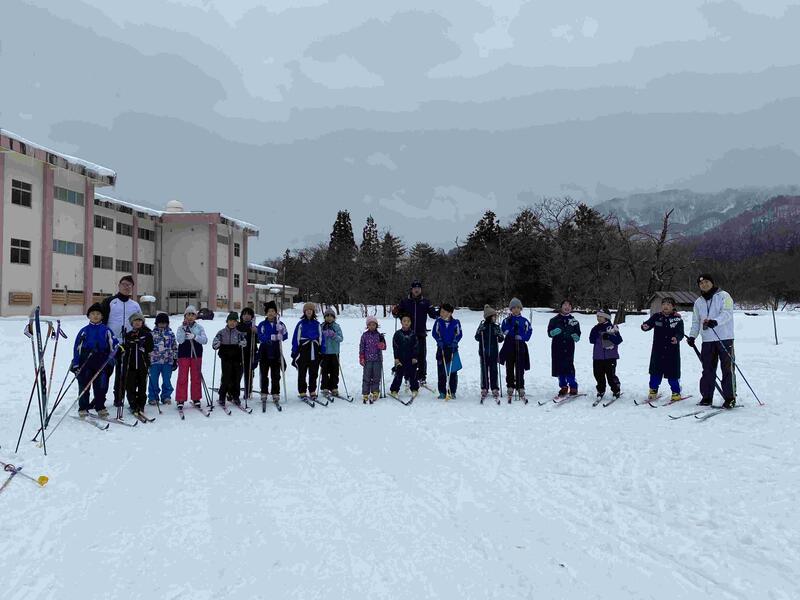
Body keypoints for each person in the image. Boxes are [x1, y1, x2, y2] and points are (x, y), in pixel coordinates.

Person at [688, 274, 737, 408]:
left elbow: (727, 313)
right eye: (701, 283)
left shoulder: (724, 296)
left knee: (727, 369)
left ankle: (730, 398)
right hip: (707, 340)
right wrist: (692, 336)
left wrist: (715, 321)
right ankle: (707, 397)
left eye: (706, 282)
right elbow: (696, 321)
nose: (704, 285)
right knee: (707, 370)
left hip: (725, 338)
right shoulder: (698, 302)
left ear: (712, 283)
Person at [100, 275, 142, 409]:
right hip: (110, 343)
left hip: (128, 343)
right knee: (105, 372)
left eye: (129, 285)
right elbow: (101, 321)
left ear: (132, 288)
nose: (126, 287)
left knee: (123, 373)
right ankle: (99, 399)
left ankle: (118, 398)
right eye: (124, 284)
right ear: (119, 285)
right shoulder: (109, 301)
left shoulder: (135, 305)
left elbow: (141, 323)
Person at [71, 303, 118, 418]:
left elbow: (114, 346)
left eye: (98, 314)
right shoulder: (84, 331)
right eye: (93, 314)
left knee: (101, 386)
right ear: (88, 316)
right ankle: (83, 407)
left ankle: (100, 406)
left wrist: (113, 356)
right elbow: (77, 348)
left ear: (102, 316)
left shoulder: (106, 330)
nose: (95, 316)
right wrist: (76, 363)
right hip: (86, 361)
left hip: (101, 361)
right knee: (84, 385)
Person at [391, 280, 439, 387]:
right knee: (407, 356)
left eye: (418, 288)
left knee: (421, 356)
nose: (416, 290)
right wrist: (395, 311)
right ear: (411, 289)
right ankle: (408, 377)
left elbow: (433, 315)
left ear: (421, 289)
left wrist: (441, 311)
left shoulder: (426, 302)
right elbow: (397, 314)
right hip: (408, 335)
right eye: (415, 288)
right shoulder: (405, 301)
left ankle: (421, 377)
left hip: (421, 334)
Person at [641, 297, 684, 402]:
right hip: (658, 351)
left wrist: (676, 338)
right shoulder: (657, 316)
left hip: (672, 352)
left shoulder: (677, 319)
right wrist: (645, 326)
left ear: (673, 307)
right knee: (655, 372)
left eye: (669, 304)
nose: (666, 306)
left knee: (673, 373)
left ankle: (676, 392)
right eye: (664, 304)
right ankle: (653, 390)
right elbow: (648, 324)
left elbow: (680, 333)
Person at [499, 298, 532, 402]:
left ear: (520, 309)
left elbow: (529, 331)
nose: (516, 310)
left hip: (520, 346)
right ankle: (510, 385)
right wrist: (512, 333)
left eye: (518, 307)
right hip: (509, 345)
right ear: (511, 309)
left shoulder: (524, 320)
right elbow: (504, 329)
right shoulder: (507, 320)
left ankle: (520, 386)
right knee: (509, 366)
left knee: (520, 367)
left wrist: (522, 337)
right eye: (514, 308)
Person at [175, 305, 208, 408]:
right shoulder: (181, 328)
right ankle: (180, 398)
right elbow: (180, 340)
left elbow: (205, 340)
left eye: (192, 315)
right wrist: (184, 331)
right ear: (185, 316)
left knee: (196, 377)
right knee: (182, 377)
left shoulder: (199, 328)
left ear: (195, 316)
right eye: (188, 315)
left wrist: (194, 336)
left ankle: (196, 397)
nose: (190, 317)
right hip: (183, 355)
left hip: (196, 355)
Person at [547, 299, 581, 396]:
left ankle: (573, 386)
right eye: (565, 305)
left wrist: (576, 337)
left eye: (569, 305)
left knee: (569, 366)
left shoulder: (574, 321)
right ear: (561, 307)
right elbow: (549, 333)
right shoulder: (554, 320)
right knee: (559, 367)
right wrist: (553, 332)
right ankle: (563, 386)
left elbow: (578, 333)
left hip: (569, 347)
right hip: (557, 347)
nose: (567, 307)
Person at [122, 312, 154, 416]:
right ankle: (133, 404)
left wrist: (141, 345)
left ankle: (141, 405)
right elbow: (125, 348)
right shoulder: (128, 334)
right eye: (135, 321)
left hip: (142, 364)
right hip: (130, 365)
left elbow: (150, 347)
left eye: (139, 320)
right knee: (130, 386)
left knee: (142, 386)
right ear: (132, 323)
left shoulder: (147, 334)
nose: (137, 322)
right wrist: (129, 345)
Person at [212, 312, 247, 407]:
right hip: (226, 357)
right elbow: (214, 344)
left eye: (234, 321)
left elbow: (244, 342)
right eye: (230, 321)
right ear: (227, 321)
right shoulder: (221, 332)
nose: (232, 323)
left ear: (237, 323)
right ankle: (222, 396)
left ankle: (235, 396)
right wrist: (217, 344)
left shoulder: (239, 334)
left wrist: (243, 343)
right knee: (226, 377)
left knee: (236, 377)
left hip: (236, 357)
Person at [256, 301, 288, 404]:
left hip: (276, 352)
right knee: (264, 374)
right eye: (269, 311)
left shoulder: (280, 324)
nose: (271, 313)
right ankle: (264, 392)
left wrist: (281, 334)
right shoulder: (262, 324)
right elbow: (260, 336)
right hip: (264, 352)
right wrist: (270, 337)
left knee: (276, 374)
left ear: (276, 313)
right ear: (266, 313)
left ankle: (275, 392)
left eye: (273, 311)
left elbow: (285, 335)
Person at [291, 302, 323, 401]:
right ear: (304, 312)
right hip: (303, 349)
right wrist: (294, 351)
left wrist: (322, 350)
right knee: (302, 371)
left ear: (313, 312)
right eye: (307, 310)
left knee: (314, 371)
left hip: (314, 349)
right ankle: (302, 391)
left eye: (311, 310)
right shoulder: (301, 324)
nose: (309, 311)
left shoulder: (317, 324)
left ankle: (312, 390)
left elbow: (321, 338)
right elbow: (296, 338)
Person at [589, 308, 622, 400]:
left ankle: (616, 389)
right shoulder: (595, 328)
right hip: (598, 356)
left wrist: (609, 336)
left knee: (611, 376)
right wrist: (597, 334)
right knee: (598, 375)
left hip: (610, 357)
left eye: (601, 316)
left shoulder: (612, 328)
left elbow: (619, 340)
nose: (598, 318)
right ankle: (601, 390)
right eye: (597, 316)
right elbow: (591, 340)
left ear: (606, 317)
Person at [431, 303, 462, 400]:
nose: (441, 313)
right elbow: (434, 333)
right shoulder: (438, 322)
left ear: (450, 313)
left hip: (452, 349)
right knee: (441, 372)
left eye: (443, 312)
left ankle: (452, 391)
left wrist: (455, 341)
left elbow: (459, 334)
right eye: (441, 311)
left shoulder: (456, 322)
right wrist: (439, 340)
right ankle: (442, 392)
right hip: (442, 349)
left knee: (452, 371)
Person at [475, 305, 504, 402]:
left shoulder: (496, 327)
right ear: (489, 317)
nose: (495, 318)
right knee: (484, 370)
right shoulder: (482, 326)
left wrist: (499, 335)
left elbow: (501, 339)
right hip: (483, 353)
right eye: (494, 316)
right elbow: (476, 337)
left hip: (493, 353)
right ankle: (484, 387)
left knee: (494, 370)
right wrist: (480, 333)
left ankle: (494, 388)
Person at [148, 312, 177, 406]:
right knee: (153, 380)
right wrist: (147, 359)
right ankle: (153, 397)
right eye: (160, 323)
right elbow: (148, 347)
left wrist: (175, 359)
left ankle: (166, 396)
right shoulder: (152, 334)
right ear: (156, 323)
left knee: (167, 380)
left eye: (164, 323)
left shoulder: (171, 334)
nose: (162, 325)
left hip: (167, 361)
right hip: (154, 361)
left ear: (167, 323)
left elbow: (174, 347)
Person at [389, 313, 419, 400]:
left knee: (413, 374)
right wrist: (396, 358)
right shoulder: (397, 334)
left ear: (410, 322)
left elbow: (416, 346)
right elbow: (395, 347)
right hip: (400, 358)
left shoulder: (413, 334)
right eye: (404, 321)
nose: (406, 323)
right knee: (399, 374)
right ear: (401, 322)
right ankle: (394, 390)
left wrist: (415, 357)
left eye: (408, 321)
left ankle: (414, 389)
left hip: (411, 358)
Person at [359, 316, 386, 403]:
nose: (372, 326)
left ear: (376, 325)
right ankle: (365, 392)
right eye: (370, 324)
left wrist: (382, 345)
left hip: (377, 359)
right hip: (367, 360)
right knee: (366, 376)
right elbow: (361, 347)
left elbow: (384, 346)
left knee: (376, 377)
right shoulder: (364, 336)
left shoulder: (379, 335)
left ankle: (375, 391)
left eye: (373, 324)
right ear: (367, 326)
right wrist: (361, 357)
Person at [320, 307, 344, 397]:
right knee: (325, 370)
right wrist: (323, 335)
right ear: (325, 317)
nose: (329, 318)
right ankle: (325, 387)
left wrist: (334, 335)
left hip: (334, 352)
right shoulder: (321, 326)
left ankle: (334, 387)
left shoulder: (336, 326)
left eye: (331, 316)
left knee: (335, 371)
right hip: (325, 352)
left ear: (334, 317)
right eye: (327, 316)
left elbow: (341, 338)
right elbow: (318, 338)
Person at [237, 307, 259, 399]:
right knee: (237, 373)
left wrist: (256, 332)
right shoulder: (237, 326)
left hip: (251, 352)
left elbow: (259, 340)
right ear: (241, 316)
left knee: (249, 373)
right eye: (244, 314)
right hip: (239, 353)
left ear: (252, 317)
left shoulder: (254, 327)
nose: (246, 316)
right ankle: (234, 391)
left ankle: (248, 391)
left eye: (249, 314)